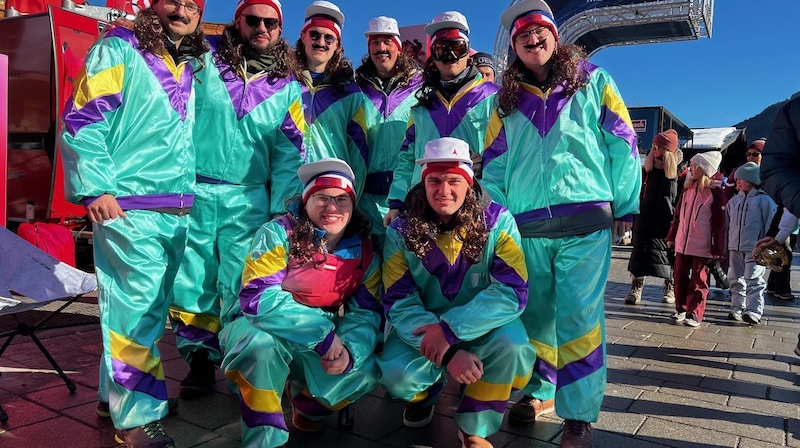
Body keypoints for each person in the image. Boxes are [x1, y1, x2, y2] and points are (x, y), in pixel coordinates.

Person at [481, 1, 642, 446]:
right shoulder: (505, 101)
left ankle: (579, 414)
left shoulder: (593, 81)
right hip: (527, 224)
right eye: (522, 35)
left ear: (555, 35)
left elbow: (623, 141)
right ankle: (538, 391)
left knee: (579, 319)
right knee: (535, 315)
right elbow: (493, 164)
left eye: (540, 30)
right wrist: (497, 220)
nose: (533, 39)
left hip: (585, 220)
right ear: (514, 45)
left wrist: (624, 204)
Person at [59, 0, 208, 446]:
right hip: (128, 205)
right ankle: (137, 419)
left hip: (176, 206)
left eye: (191, 4)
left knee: (144, 310)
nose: (181, 10)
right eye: (172, 1)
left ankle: (116, 396)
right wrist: (95, 187)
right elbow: (82, 117)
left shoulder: (189, 65)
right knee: (137, 311)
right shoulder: (118, 49)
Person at [167, 0, 307, 399]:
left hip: (248, 199)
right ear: (238, 21)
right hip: (194, 188)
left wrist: (285, 209)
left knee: (240, 281)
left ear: (280, 30)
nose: (261, 28)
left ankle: (240, 360)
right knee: (190, 280)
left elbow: (290, 153)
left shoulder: (287, 87)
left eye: (271, 23)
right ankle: (198, 359)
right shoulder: (204, 62)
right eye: (253, 19)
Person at [379, 137, 535, 448]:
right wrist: (447, 351)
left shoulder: (499, 221)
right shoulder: (400, 231)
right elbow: (398, 299)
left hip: (483, 328)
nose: (444, 190)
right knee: (398, 376)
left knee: (514, 349)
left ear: (469, 182)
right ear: (423, 183)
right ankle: (427, 395)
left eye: (453, 180)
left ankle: (474, 427)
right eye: (434, 180)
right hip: (423, 330)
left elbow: (513, 290)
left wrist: (450, 331)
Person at [220, 158, 382, 448]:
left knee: (366, 370)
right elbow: (257, 296)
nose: (332, 208)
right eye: (321, 197)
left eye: (341, 199)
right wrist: (321, 333)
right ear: (305, 201)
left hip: (321, 340)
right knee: (261, 348)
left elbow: (367, 313)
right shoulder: (277, 234)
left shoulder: (365, 251)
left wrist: (350, 350)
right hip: (261, 328)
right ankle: (263, 440)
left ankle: (307, 404)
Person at [383, 11, 498, 227]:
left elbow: (507, 153)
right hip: (424, 206)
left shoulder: (493, 97)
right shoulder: (421, 106)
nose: (450, 57)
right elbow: (407, 158)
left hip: (475, 207)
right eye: (441, 50)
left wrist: (487, 165)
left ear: (468, 52)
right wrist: (397, 203)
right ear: (432, 57)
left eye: (457, 48)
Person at [355, 16, 423, 242]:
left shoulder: (421, 87)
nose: (381, 48)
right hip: (364, 199)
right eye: (375, 42)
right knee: (368, 269)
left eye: (387, 42)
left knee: (403, 269)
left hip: (408, 198)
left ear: (399, 47)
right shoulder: (354, 88)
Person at [295, 1, 368, 196]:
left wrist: (351, 199)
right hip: (286, 193)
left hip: (330, 194)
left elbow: (359, 154)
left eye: (329, 38)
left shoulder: (351, 94)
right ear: (303, 36)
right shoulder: (283, 83)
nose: (321, 42)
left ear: (337, 45)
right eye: (314, 35)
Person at [666, 151, 726, 327]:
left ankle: (695, 313)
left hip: (702, 245)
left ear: (706, 169)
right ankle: (681, 308)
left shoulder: (714, 194)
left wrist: (716, 248)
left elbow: (719, 224)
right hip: (682, 243)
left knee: (699, 279)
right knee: (679, 276)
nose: (691, 169)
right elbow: (677, 217)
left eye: (695, 166)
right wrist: (671, 236)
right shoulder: (687, 191)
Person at [625, 129, 684, 305]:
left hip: (667, 222)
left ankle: (670, 287)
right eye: (654, 146)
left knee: (669, 257)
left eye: (659, 146)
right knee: (639, 257)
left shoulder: (680, 174)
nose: (655, 149)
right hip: (644, 219)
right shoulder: (646, 170)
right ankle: (636, 288)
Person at [726, 162, 777, 324]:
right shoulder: (733, 202)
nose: (739, 182)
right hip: (735, 246)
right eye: (738, 179)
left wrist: (769, 246)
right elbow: (727, 224)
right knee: (735, 278)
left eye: (743, 179)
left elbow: (771, 223)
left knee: (754, 278)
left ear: (753, 180)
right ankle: (737, 307)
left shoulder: (764, 200)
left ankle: (754, 310)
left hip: (756, 247)